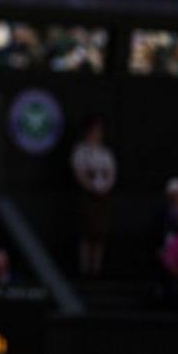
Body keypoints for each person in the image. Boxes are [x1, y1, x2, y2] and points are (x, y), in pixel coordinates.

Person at [71, 115, 116, 277]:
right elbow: (79, 173)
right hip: (87, 196)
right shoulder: (80, 151)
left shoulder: (105, 152)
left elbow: (111, 173)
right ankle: (84, 268)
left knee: (99, 233)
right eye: (94, 131)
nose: (97, 134)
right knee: (86, 232)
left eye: (99, 131)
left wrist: (104, 187)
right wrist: (92, 187)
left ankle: (97, 269)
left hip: (103, 197)